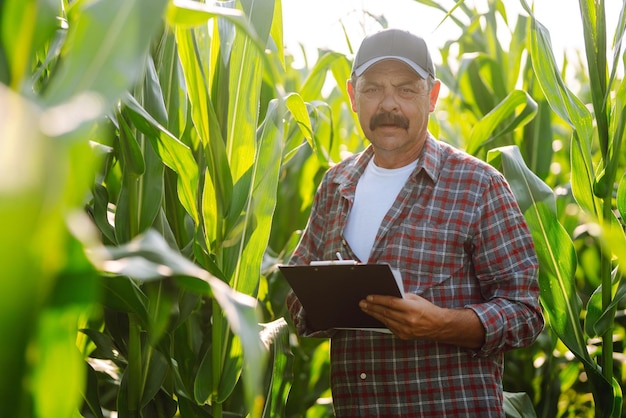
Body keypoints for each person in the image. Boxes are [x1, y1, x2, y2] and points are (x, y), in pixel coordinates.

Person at [285, 28, 544, 417]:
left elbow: (526, 313)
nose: (388, 105)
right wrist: (325, 304)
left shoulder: (478, 185)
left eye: (406, 90)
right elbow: (297, 300)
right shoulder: (335, 184)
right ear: (353, 96)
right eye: (372, 89)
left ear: (433, 96)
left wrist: (440, 324)